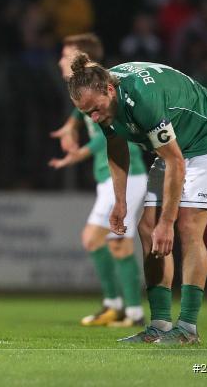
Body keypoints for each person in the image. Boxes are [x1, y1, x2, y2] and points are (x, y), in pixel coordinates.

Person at [67, 55, 207, 345]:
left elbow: (176, 164)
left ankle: (187, 328)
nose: (94, 118)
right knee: (148, 227)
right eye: (87, 114)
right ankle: (158, 324)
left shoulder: (142, 99)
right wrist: (119, 202)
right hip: (174, 148)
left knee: (186, 227)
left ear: (110, 90)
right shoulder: (102, 103)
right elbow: (116, 145)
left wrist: (167, 222)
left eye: (95, 110)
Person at [49, 34, 146, 328]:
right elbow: (82, 117)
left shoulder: (104, 92)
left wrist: (77, 154)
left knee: (106, 241)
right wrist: (69, 126)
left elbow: (111, 133)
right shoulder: (87, 93)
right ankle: (119, 307)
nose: (60, 61)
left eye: (66, 55)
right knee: (108, 242)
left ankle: (129, 310)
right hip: (109, 178)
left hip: (127, 174)